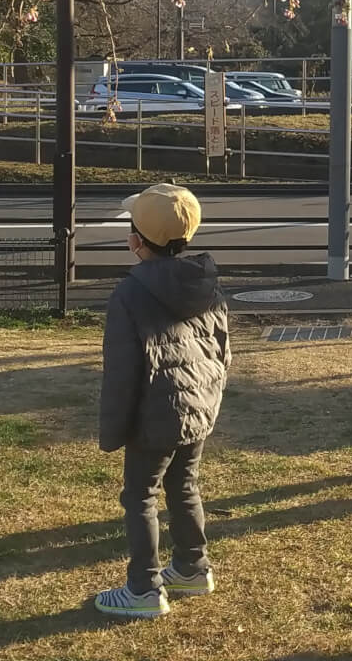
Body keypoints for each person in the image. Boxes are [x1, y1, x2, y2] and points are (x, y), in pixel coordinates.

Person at [94, 183, 230, 619]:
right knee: (184, 484)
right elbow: (222, 348)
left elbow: (121, 373)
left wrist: (113, 430)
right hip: (198, 404)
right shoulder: (206, 283)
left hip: (154, 414)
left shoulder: (130, 294)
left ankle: (144, 589)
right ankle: (192, 566)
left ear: (136, 241)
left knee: (140, 495)